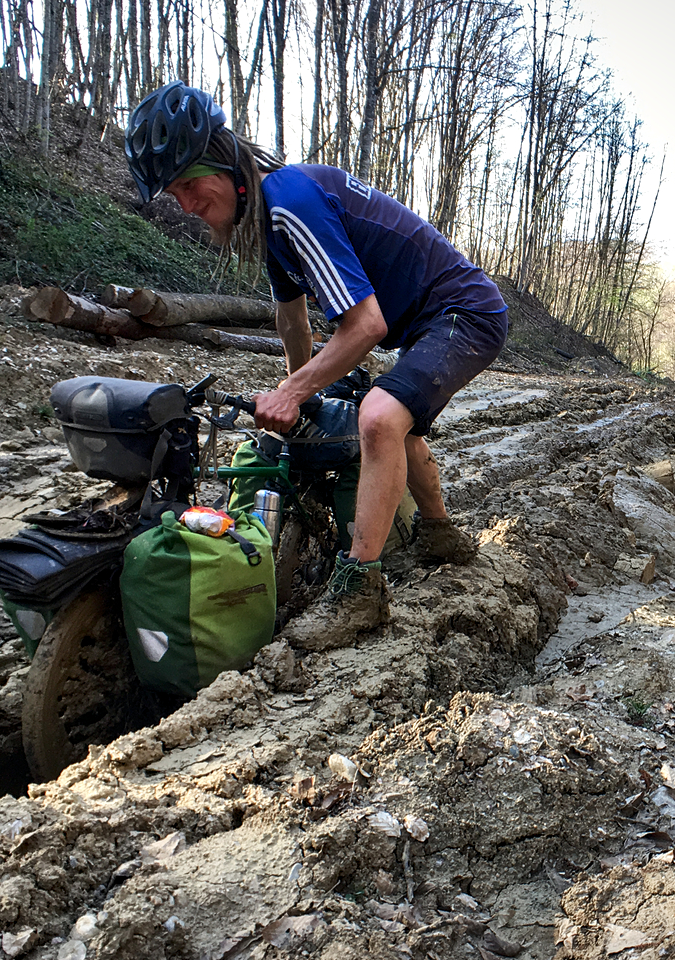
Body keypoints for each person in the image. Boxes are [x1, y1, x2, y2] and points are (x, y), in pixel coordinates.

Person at [125, 80, 508, 648]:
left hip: (465, 312)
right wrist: (295, 394)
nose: (184, 204)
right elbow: (293, 321)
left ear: (226, 164)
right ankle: (441, 535)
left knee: (377, 417)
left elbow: (366, 327)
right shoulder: (268, 218)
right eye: (171, 193)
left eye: (187, 185)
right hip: (426, 320)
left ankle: (360, 591)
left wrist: (292, 392)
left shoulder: (290, 203)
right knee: (392, 420)